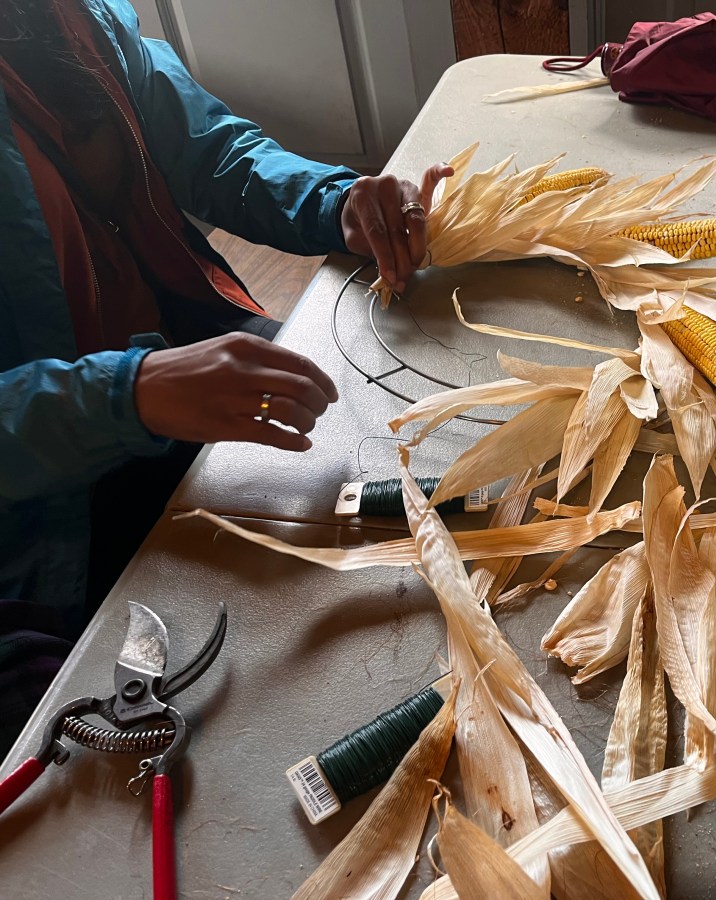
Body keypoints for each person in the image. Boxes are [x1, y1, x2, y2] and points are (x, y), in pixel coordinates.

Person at [0, 0, 448, 753]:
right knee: (244, 700)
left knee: (390, 453)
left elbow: (213, 152)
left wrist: (336, 203)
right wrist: (130, 392)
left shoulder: (76, 18)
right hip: (55, 499)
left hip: (185, 365)